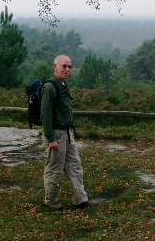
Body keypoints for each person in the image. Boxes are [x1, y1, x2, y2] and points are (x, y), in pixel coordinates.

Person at [41, 54, 89, 210]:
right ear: (55, 66)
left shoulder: (62, 85)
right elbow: (46, 113)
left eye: (69, 66)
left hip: (66, 133)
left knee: (75, 165)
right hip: (55, 134)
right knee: (54, 168)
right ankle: (51, 200)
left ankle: (80, 199)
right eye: (64, 66)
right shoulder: (49, 87)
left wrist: (69, 129)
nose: (67, 69)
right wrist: (50, 138)